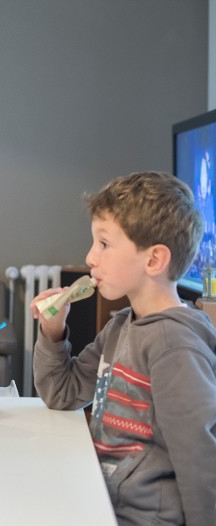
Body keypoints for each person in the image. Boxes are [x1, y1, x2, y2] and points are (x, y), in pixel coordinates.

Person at [31, 172, 216, 525]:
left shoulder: (174, 346)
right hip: (103, 501)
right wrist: (52, 331)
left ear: (153, 260)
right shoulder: (121, 326)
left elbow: (200, 461)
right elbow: (62, 392)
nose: (90, 257)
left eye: (104, 243)